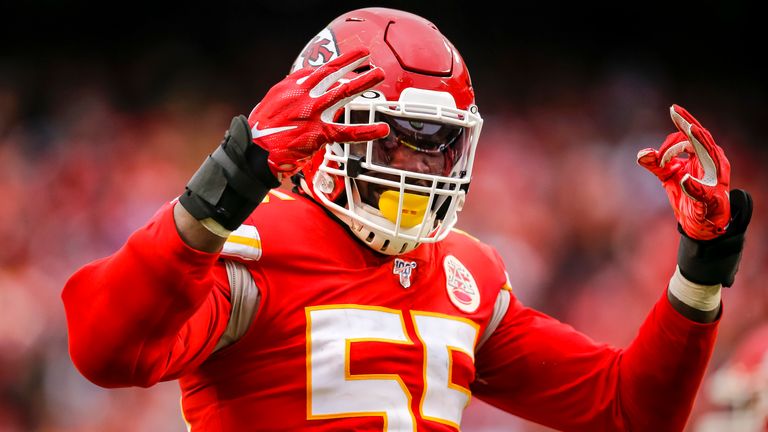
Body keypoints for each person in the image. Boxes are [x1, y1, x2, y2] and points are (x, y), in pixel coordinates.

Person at [62, 7, 753, 431]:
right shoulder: (250, 242)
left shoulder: (466, 271)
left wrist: (700, 268)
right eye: (398, 138)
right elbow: (105, 351)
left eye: (441, 143)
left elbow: (629, 411)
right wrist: (230, 179)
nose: (423, 168)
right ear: (334, 129)